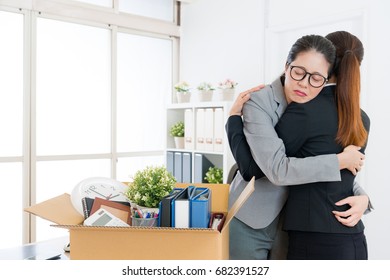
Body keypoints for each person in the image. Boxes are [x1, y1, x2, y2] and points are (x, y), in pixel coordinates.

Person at [226, 33, 371, 260]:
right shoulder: (259, 102)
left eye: (315, 77)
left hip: (294, 223)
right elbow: (273, 168)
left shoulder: (319, 105)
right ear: (287, 66)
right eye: (298, 72)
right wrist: (233, 121)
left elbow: (324, 160)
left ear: (327, 78)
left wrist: (362, 197)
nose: (304, 83)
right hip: (252, 217)